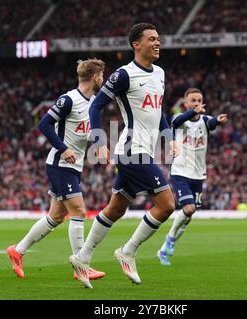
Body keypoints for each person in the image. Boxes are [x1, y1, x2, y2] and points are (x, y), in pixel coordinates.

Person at [69, 23, 180, 288]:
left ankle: (82, 257)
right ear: (136, 44)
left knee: (116, 208)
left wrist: (170, 138)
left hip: (144, 149)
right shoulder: (124, 75)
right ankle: (128, 252)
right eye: (151, 39)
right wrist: (99, 140)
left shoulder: (160, 73)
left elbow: (158, 112)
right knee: (166, 206)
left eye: (158, 38)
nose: (158, 43)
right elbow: (96, 106)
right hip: (132, 150)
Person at [6, 59, 106, 280]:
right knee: (79, 211)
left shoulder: (93, 102)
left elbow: (81, 132)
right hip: (60, 165)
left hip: (73, 166)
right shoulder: (69, 99)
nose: (104, 79)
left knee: (56, 216)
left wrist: (98, 146)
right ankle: (82, 266)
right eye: (102, 76)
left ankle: (17, 250)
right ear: (96, 77)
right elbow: (44, 124)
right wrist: (62, 148)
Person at [157, 88, 228, 265]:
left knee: (189, 215)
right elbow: (177, 121)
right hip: (180, 172)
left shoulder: (204, 120)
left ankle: (166, 247)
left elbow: (211, 122)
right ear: (186, 103)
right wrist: (192, 112)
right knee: (189, 209)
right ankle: (170, 240)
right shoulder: (178, 120)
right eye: (193, 100)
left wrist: (218, 121)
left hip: (198, 174)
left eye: (199, 100)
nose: (197, 103)